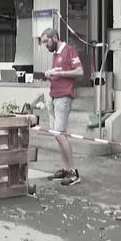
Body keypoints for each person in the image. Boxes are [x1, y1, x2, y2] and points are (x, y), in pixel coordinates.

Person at [39, 27, 84, 186]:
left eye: (46, 41)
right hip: (54, 96)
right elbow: (60, 73)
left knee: (60, 134)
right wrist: (50, 75)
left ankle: (73, 172)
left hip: (64, 96)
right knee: (56, 134)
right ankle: (65, 168)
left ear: (55, 38)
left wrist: (59, 73)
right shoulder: (56, 55)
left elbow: (79, 71)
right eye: (43, 42)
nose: (45, 45)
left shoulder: (69, 50)